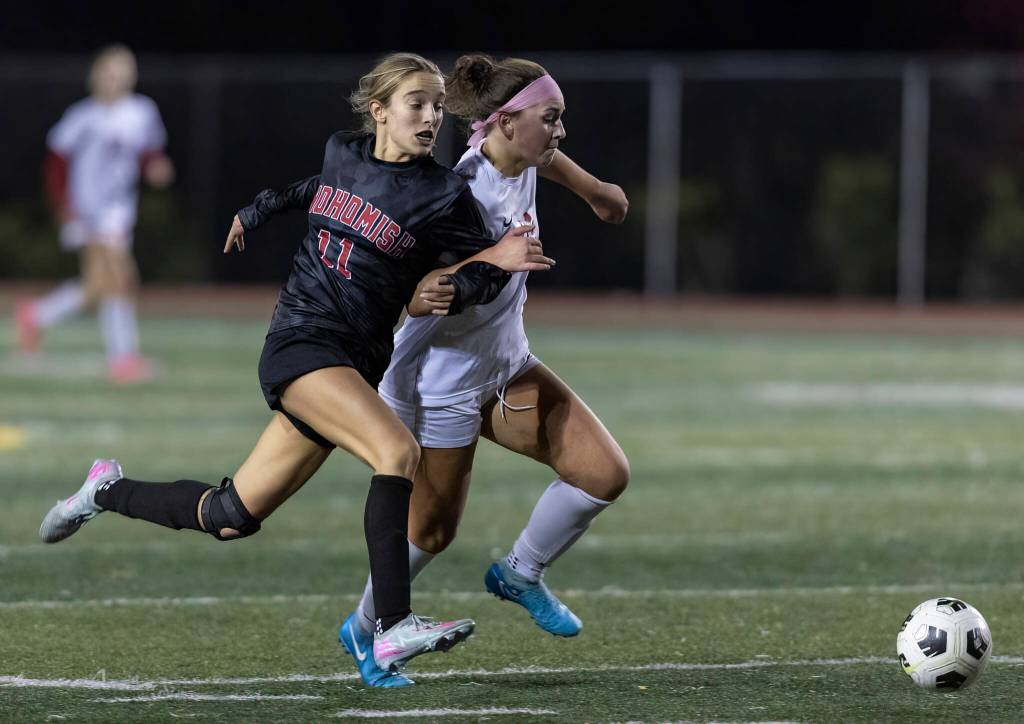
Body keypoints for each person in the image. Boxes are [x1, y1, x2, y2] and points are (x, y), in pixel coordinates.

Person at [38, 52, 554, 684]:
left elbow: (471, 282)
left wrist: (480, 270)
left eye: (439, 106)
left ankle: (102, 490)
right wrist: (258, 210)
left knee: (231, 516)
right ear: (380, 111)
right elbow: (315, 190)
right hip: (301, 343)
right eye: (416, 103)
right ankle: (392, 627)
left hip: (354, 362)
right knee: (396, 450)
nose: (430, 117)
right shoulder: (343, 151)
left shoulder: (445, 194)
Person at [233, 54, 630, 688]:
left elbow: (566, 171)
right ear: (504, 122)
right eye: (550, 119)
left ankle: (519, 573)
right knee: (433, 533)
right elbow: (415, 292)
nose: (559, 132)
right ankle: (365, 630)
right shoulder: (460, 191)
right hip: (436, 383)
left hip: (506, 367)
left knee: (604, 474)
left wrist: (598, 193)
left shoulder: (523, 155)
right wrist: (445, 282)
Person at [17, 44, 174, 383]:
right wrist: (64, 206)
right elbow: (56, 162)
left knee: (96, 287)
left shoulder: (141, 111)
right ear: (97, 76)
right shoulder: (82, 117)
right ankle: (123, 360)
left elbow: (148, 151)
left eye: (123, 73)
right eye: (110, 72)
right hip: (89, 210)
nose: (116, 79)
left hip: (120, 209)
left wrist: (155, 166)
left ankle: (34, 315)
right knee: (120, 280)